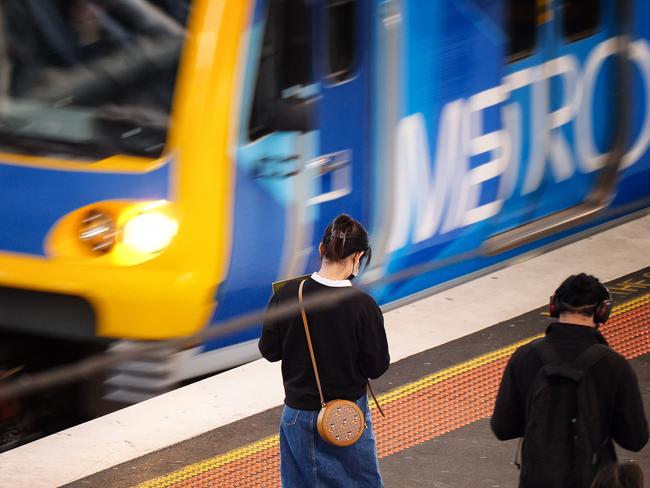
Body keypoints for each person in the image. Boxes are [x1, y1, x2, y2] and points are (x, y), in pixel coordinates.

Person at [259, 214, 390, 487]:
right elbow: (376, 366)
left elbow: (270, 351)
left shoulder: (287, 295)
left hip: (297, 415)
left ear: (322, 249)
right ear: (359, 257)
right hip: (344, 417)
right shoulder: (362, 306)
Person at [491, 273, 648, 488]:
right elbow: (635, 439)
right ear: (602, 311)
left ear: (554, 306)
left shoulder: (525, 356)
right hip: (594, 480)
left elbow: (503, 428)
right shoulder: (614, 364)